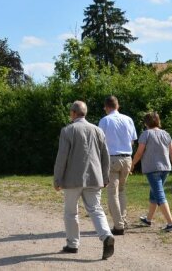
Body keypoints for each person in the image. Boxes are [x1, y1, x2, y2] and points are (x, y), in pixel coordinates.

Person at [53, 100, 115, 260]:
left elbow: (62, 158)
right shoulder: (98, 130)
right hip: (95, 177)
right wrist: (105, 176)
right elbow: (105, 156)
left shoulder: (68, 131)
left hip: (72, 179)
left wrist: (57, 178)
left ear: (73, 113)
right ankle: (106, 235)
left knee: (71, 212)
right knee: (95, 209)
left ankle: (73, 244)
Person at [130, 112, 172, 232]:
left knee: (159, 195)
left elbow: (139, 153)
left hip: (152, 169)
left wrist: (132, 164)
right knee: (154, 193)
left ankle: (170, 223)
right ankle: (148, 219)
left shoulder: (146, 134)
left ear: (146, 123)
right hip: (165, 169)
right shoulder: (166, 134)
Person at [98, 95, 137, 235]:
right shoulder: (128, 119)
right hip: (127, 158)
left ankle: (118, 225)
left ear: (106, 107)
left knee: (112, 193)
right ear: (117, 105)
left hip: (112, 158)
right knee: (121, 190)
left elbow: (100, 142)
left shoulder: (105, 121)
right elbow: (132, 141)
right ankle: (123, 219)